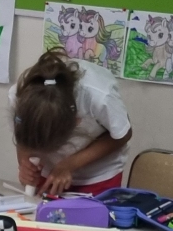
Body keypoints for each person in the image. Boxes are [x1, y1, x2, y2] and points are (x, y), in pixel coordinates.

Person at [10, 49, 132, 197]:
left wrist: (69, 164)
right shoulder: (21, 95)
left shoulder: (100, 96)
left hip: (97, 176)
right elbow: (23, 136)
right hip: (49, 173)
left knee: (90, 212)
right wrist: (24, 163)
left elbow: (123, 135)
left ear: (76, 122)